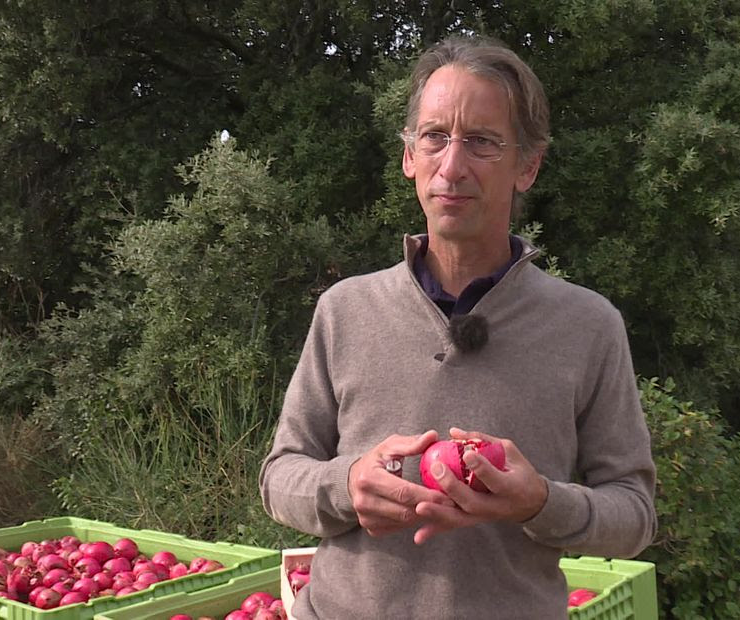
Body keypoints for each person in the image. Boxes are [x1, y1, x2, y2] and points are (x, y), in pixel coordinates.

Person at [259, 35, 656, 619]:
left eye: (481, 142)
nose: (452, 165)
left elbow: (634, 515)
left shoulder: (587, 326)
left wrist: (540, 502)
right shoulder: (345, 310)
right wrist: (349, 486)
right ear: (408, 157)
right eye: (435, 137)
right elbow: (279, 477)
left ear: (528, 166)